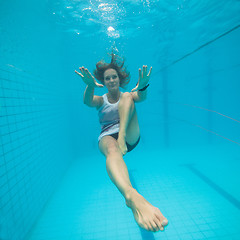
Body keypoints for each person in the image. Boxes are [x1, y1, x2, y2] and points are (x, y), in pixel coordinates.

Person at [75, 53, 168, 232]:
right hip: (108, 137)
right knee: (112, 149)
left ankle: (122, 137)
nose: (111, 80)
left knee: (128, 97)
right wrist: (89, 85)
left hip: (128, 136)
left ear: (119, 78)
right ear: (104, 81)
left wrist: (143, 86)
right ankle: (130, 195)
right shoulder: (101, 100)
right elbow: (87, 101)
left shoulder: (127, 94)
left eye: (114, 77)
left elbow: (141, 96)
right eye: (107, 78)